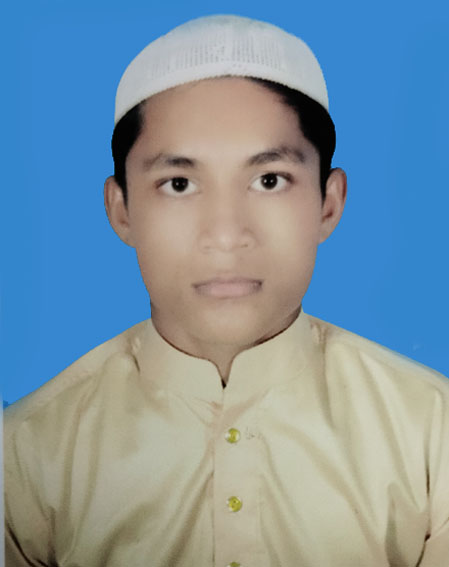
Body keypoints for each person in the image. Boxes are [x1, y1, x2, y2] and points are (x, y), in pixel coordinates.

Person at [4, 14, 449, 567]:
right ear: (121, 210)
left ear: (328, 204)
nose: (226, 234)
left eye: (269, 180)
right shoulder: (23, 456)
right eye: (179, 184)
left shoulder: (433, 435)